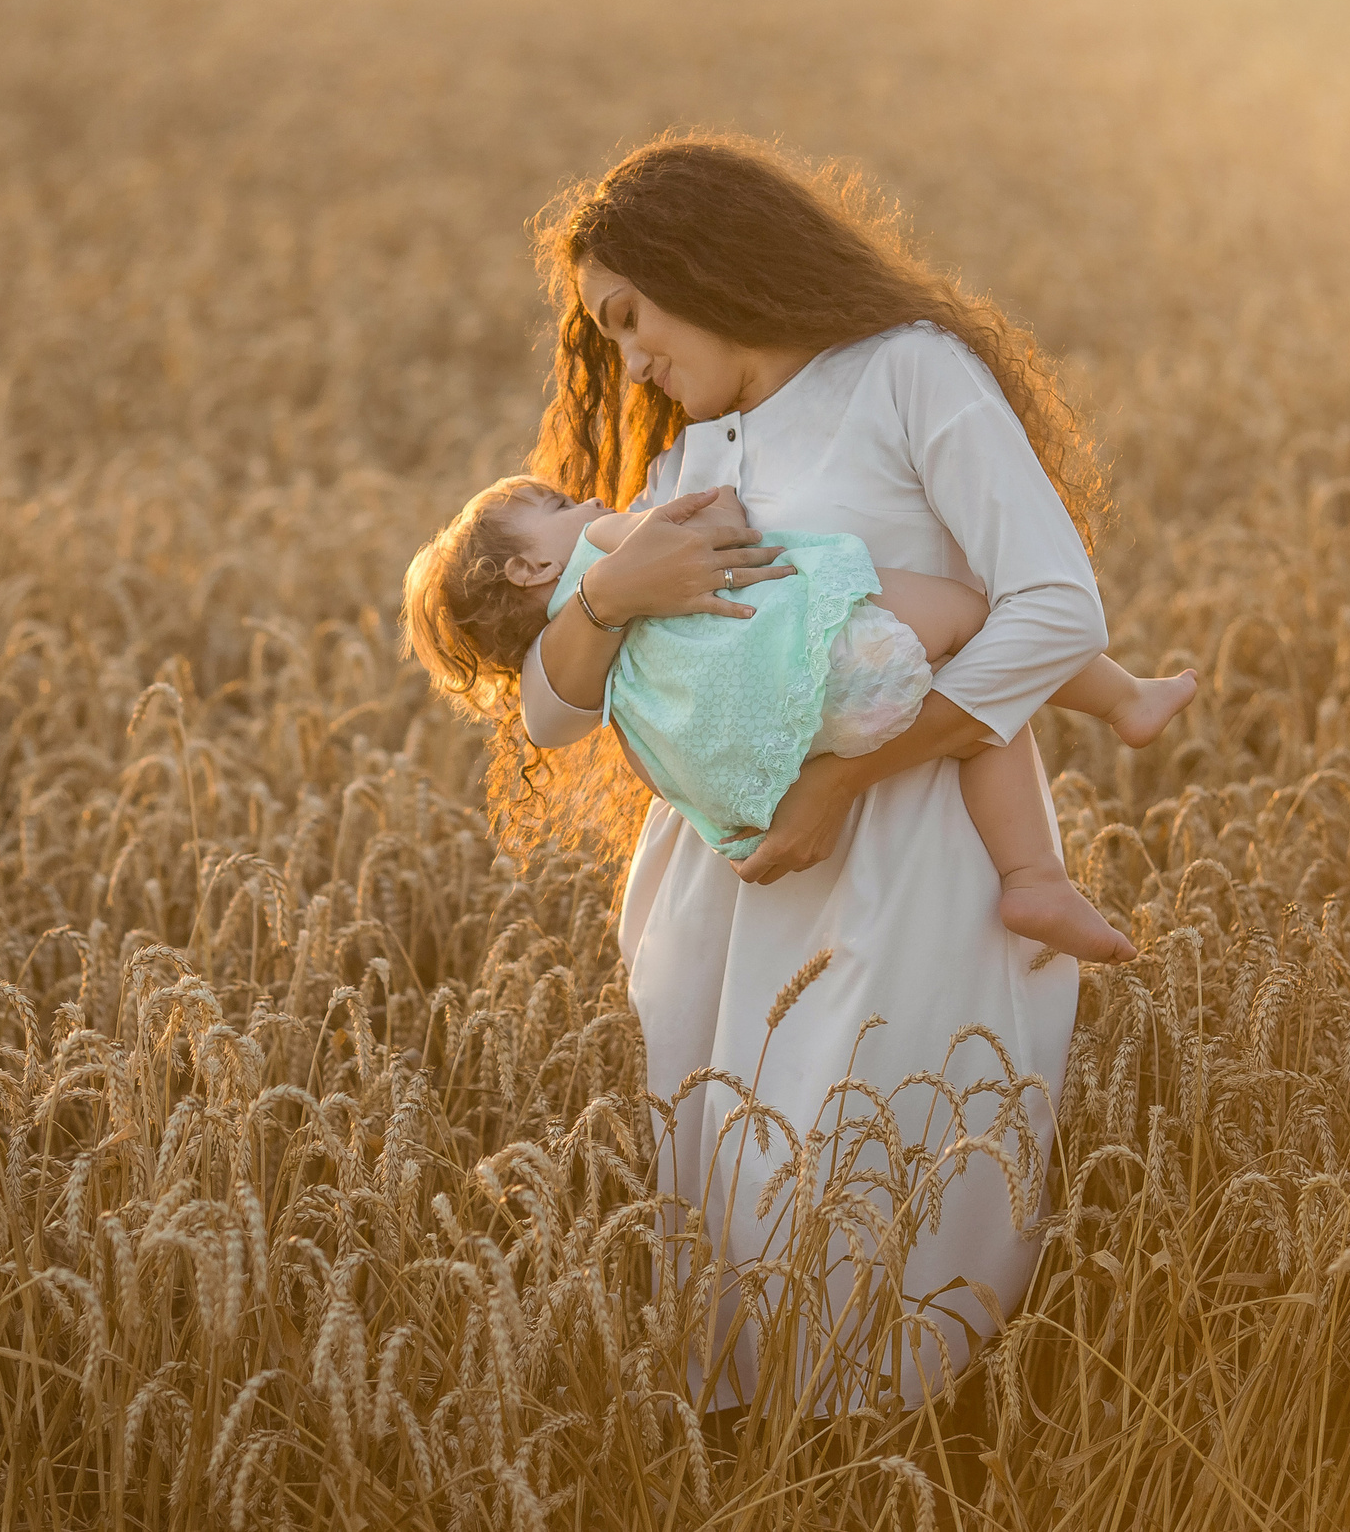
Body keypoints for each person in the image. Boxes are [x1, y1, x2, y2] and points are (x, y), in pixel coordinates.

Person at [485, 135, 1150, 1410]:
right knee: (722, 1245)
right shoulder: (692, 454)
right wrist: (613, 591)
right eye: (604, 339)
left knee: (868, 1238)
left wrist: (841, 783)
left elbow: (1057, 612)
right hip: (713, 901)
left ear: (707, 264)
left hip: (905, 866)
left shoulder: (908, 374)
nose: (627, 362)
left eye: (632, 318)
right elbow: (551, 715)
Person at [402, 474, 1195, 961]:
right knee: (984, 643)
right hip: (828, 662)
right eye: (560, 504)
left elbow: (629, 752)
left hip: (775, 761)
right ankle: (1117, 714)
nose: (589, 500)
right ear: (533, 566)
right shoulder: (608, 551)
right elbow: (723, 521)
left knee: (978, 698)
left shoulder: (599, 669)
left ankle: (1037, 881)